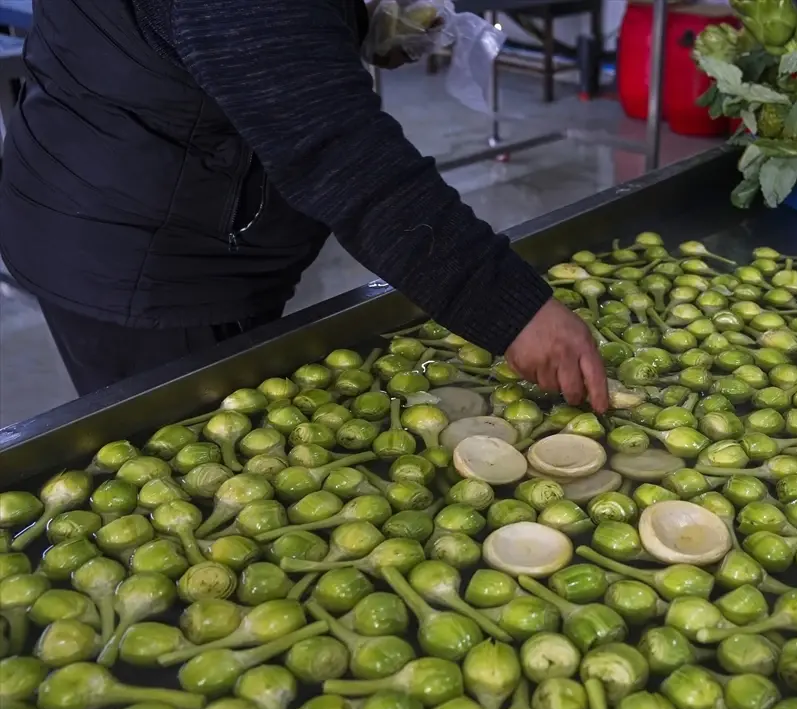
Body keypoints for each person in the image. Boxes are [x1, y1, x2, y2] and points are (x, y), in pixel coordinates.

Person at [0, 0, 609, 413]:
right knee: (187, 459)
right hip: (144, 251)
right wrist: (512, 309)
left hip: (137, 180)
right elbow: (335, 151)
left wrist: (340, 23)